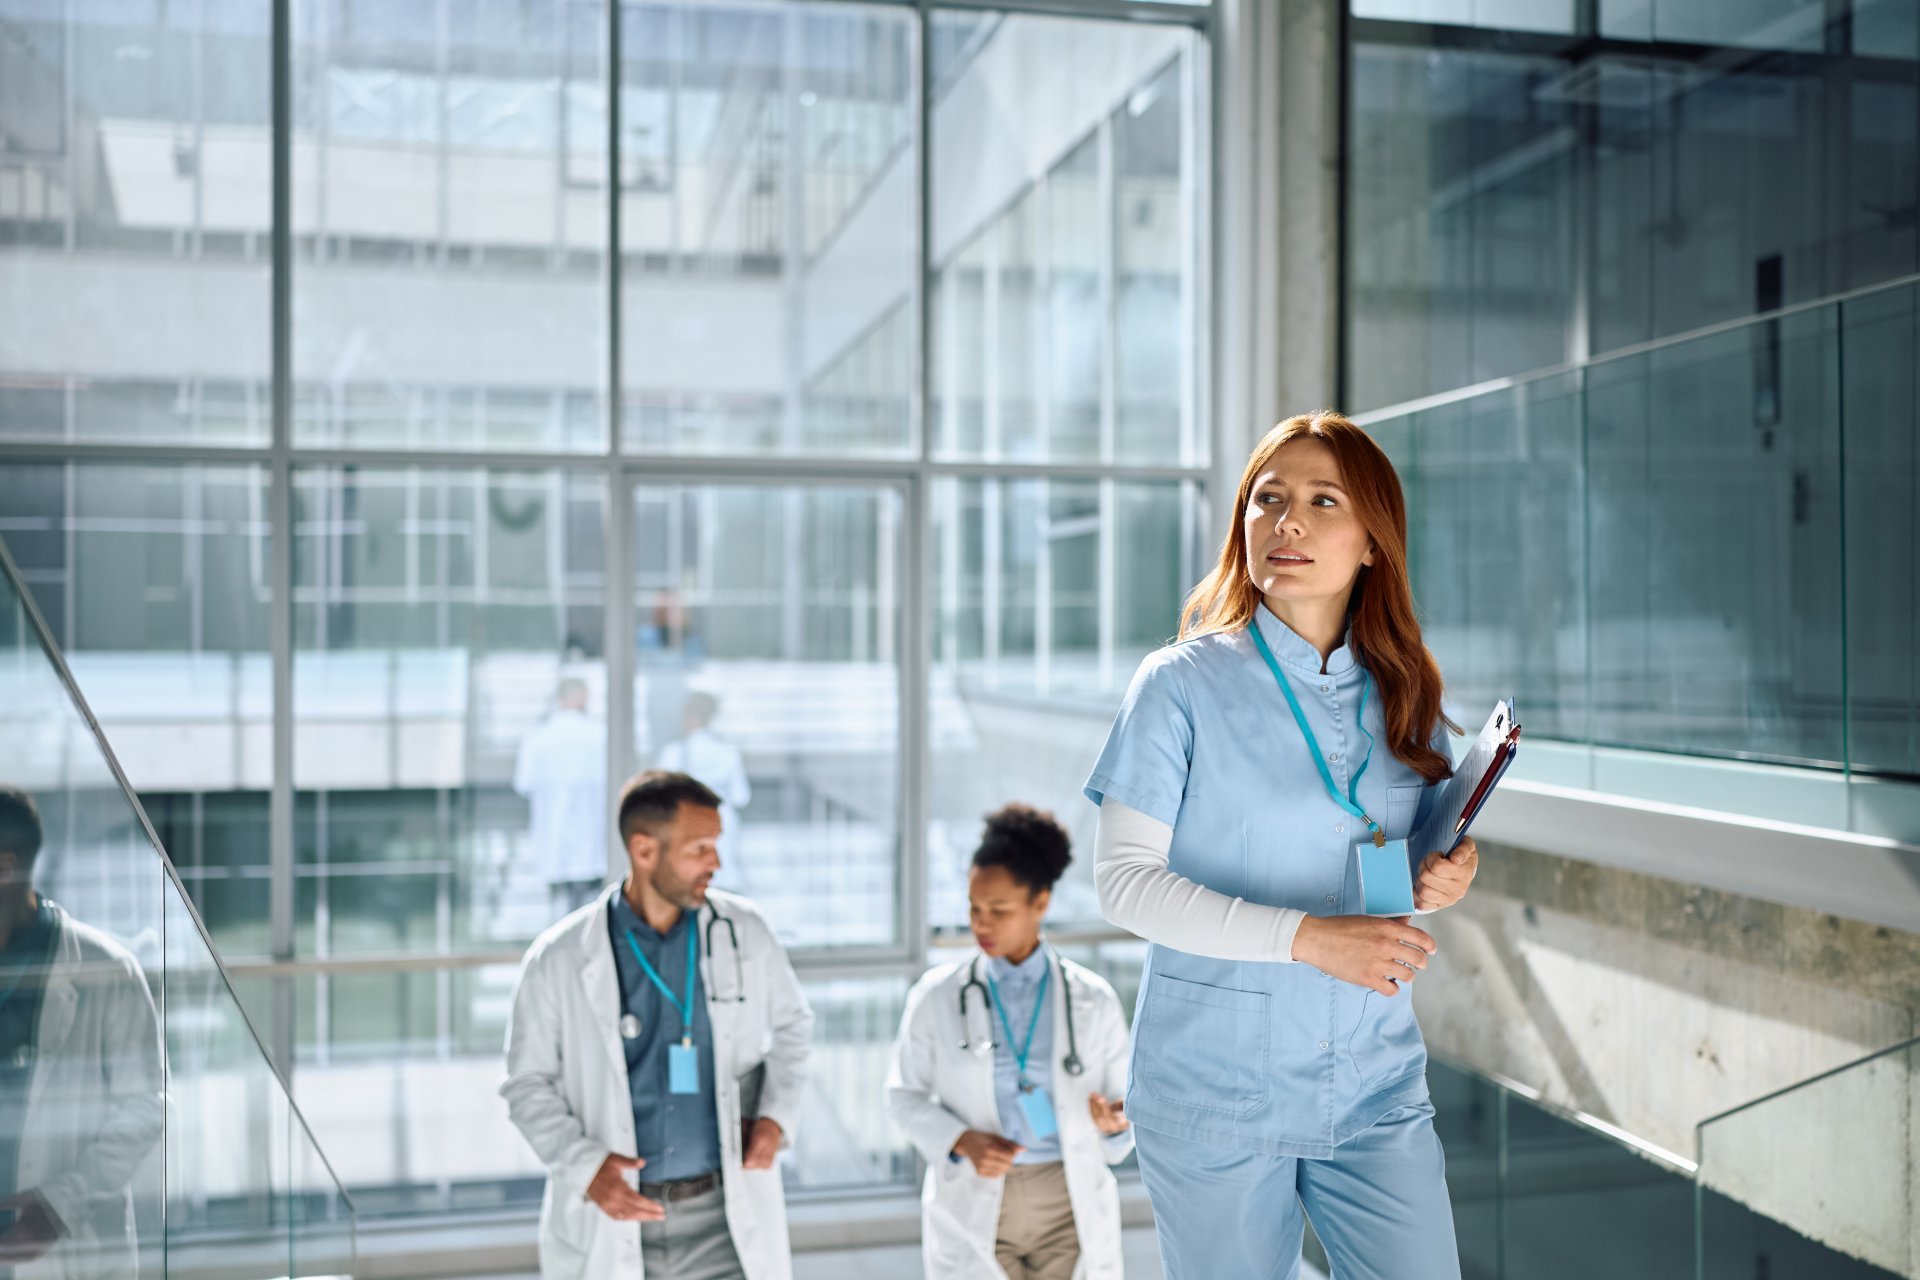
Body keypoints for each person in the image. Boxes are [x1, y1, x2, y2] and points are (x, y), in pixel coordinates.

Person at [1084, 411, 1481, 1279]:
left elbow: (1396, 866)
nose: (1286, 521)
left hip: (1372, 1079)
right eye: (1268, 500)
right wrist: (1304, 938)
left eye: (1321, 500)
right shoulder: (1179, 684)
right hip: (1215, 1087)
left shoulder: (1405, 691)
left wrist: (1440, 878)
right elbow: (1123, 885)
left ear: (1373, 541)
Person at [501, 771, 813, 1280]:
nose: (716, 863)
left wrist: (777, 1117)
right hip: (617, 1215)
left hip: (725, 1219)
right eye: (700, 848)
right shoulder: (557, 957)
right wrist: (585, 1168)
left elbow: (794, 1028)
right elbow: (526, 1084)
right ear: (644, 851)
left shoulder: (744, 931)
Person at [887, 804, 1133, 1280]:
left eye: (999, 910)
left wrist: (1115, 1122)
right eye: (974, 909)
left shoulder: (1092, 1000)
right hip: (978, 1191)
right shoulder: (936, 997)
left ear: (1040, 903)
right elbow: (902, 1096)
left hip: (1066, 1201)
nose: (982, 924)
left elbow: (1124, 1117)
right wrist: (960, 1139)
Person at [0, 785, 165, 1278]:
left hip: (63, 1253)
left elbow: (145, 1107)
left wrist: (59, 1206)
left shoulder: (107, 971)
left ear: (5, 866)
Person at [513, 678, 611, 918]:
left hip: (553, 833)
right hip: (590, 833)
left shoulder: (539, 737)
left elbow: (523, 783)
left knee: (559, 909)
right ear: (583, 697)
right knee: (590, 906)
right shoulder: (599, 734)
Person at [656, 693, 750, 866]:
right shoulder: (728, 754)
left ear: (688, 718)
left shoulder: (672, 753)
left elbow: (660, 798)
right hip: (722, 831)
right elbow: (741, 797)